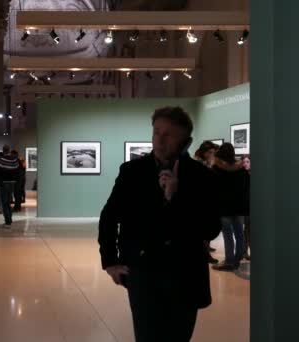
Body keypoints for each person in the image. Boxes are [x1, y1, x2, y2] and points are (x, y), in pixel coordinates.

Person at [98, 106, 221, 342]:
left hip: (185, 276)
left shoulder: (202, 177)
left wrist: (176, 197)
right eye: (156, 132)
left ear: (186, 141)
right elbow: (110, 216)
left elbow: (210, 228)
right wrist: (110, 261)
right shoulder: (132, 171)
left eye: (169, 135)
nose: (159, 140)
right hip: (144, 274)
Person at [211, 144, 250, 271]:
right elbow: (246, 188)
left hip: (223, 208)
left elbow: (213, 190)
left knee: (227, 235)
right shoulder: (241, 169)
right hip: (239, 207)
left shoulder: (216, 169)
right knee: (239, 233)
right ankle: (238, 259)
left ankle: (229, 261)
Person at [193, 141, 220, 264]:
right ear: (204, 152)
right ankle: (205, 254)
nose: (212, 154)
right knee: (202, 229)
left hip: (205, 200)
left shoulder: (207, 163)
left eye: (213, 153)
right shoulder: (198, 164)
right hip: (198, 201)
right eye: (209, 152)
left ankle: (206, 249)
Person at [0, 145, 20, 226]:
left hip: (3, 182)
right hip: (12, 183)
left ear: (3, 150)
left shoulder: (0, 160)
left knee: (4, 202)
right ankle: (10, 218)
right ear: (9, 150)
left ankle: (8, 219)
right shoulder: (14, 160)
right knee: (8, 202)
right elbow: (18, 170)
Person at [241, 155, 251, 260]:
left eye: (247, 162)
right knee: (245, 230)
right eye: (243, 162)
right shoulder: (241, 176)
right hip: (245, 207)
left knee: (250, 230)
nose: (245, 164)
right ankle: (244, 252)